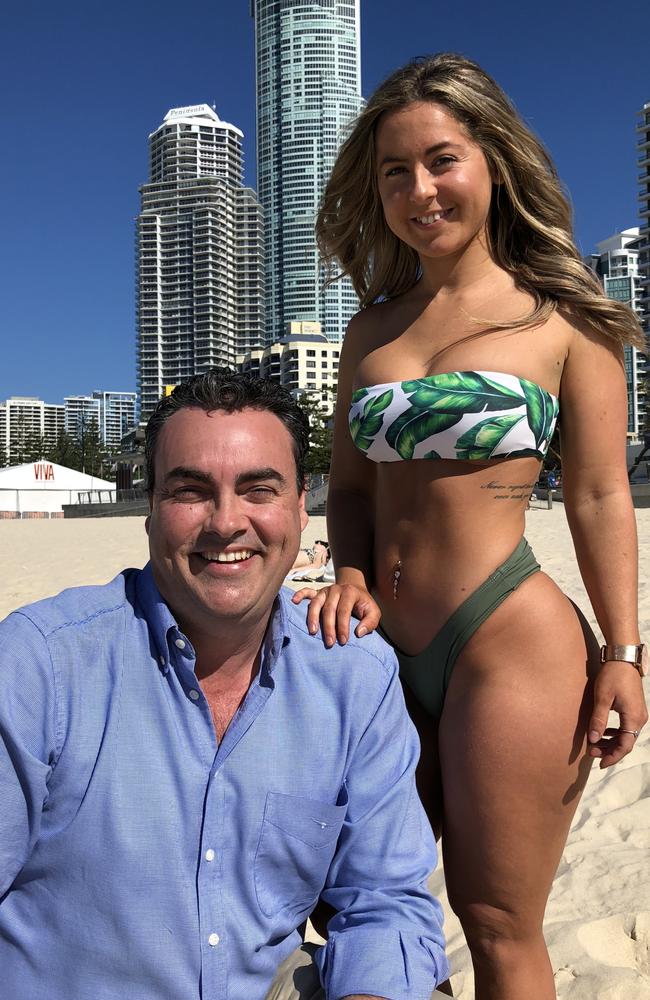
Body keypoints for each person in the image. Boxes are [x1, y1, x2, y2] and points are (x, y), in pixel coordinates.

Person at [294, 54, 648, 1000]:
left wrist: (623, 652)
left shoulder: (566, 321)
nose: (421, 190)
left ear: (493, 160)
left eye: (442, 160)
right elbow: (356, 490)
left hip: (509, 640)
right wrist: (353, 572)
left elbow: (601, 496)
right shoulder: (369, 332)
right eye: (395, 172)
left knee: (498, 923)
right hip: (375, 650)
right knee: (370, 906)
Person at [0, 370, 450, 1000]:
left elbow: (384, 899)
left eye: (258, 489)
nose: (226, 522)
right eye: (190, 491)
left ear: (300, 509)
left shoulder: (352, 675)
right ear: (152, 511)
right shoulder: (41, 663)